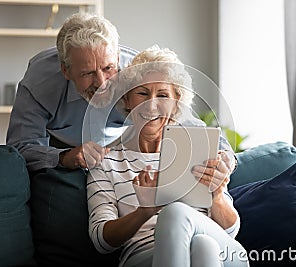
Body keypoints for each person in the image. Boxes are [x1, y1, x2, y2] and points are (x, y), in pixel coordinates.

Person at [87, 46, 249, 267]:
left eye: (162, 95)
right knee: (203, 247)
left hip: (224, 252)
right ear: (127, 100)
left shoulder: (197, 149)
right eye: (142, 93)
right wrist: (144, 212)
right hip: (145, 258)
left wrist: (217, 196)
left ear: (176, 105)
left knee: (195, 232)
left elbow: (230, 230)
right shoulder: (106, 162)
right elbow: (101, 241)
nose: (151, 104)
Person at [6, 13, 137, 172]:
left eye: (108, 68)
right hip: (60, 149)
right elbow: (20, 148)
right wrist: (64, 157)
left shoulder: (139, 75)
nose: (102, 84)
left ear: (117, 59)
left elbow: (167, 129)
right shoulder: (39, 83)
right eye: (87, 73)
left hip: (120, 143)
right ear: (65, 70)